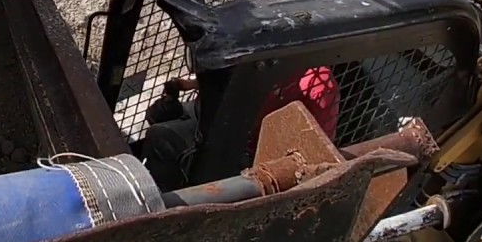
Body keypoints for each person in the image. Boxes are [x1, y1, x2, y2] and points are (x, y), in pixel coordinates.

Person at [140, 66, 340, 192]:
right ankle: (162, 189)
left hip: (253, 150)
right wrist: (183, 85)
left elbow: (320, 142)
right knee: (158, 127)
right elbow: (221, 76)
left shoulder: (318, 82)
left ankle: (178, 195)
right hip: (216, 118)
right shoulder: (256, 53)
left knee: (162, 137)